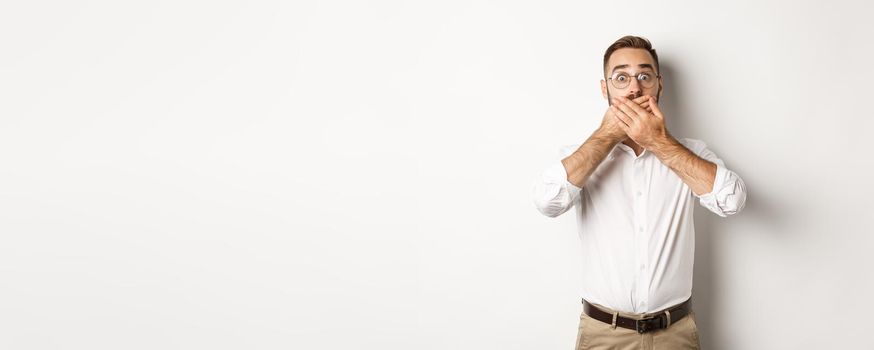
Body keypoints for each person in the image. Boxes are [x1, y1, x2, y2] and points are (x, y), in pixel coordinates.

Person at [531, 35, 748, 350]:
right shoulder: (579, 155)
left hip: (675, 332)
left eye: (644, 76)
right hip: (603, 333)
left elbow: (732, 201)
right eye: (621, 78)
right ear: (605, 88)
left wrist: (658, 142)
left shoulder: (690, 152)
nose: (634, 88)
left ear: (659, 85)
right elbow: (546, 202)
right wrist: (607, 136)